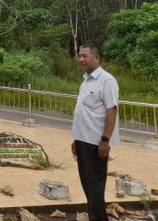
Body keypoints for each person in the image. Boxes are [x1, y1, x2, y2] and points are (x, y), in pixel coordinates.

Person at [71, 45, 119, 221]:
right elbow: (84, 113)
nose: (81, 59)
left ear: (96, 58)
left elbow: (111, 111)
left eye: (85, 56)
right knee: (87, 184)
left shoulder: (107, 80)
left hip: (96, 142)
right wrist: (76, 139)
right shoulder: (86, 80)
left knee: (95, 186)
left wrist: (105, 140)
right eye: (79, 56)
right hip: (83, 139)